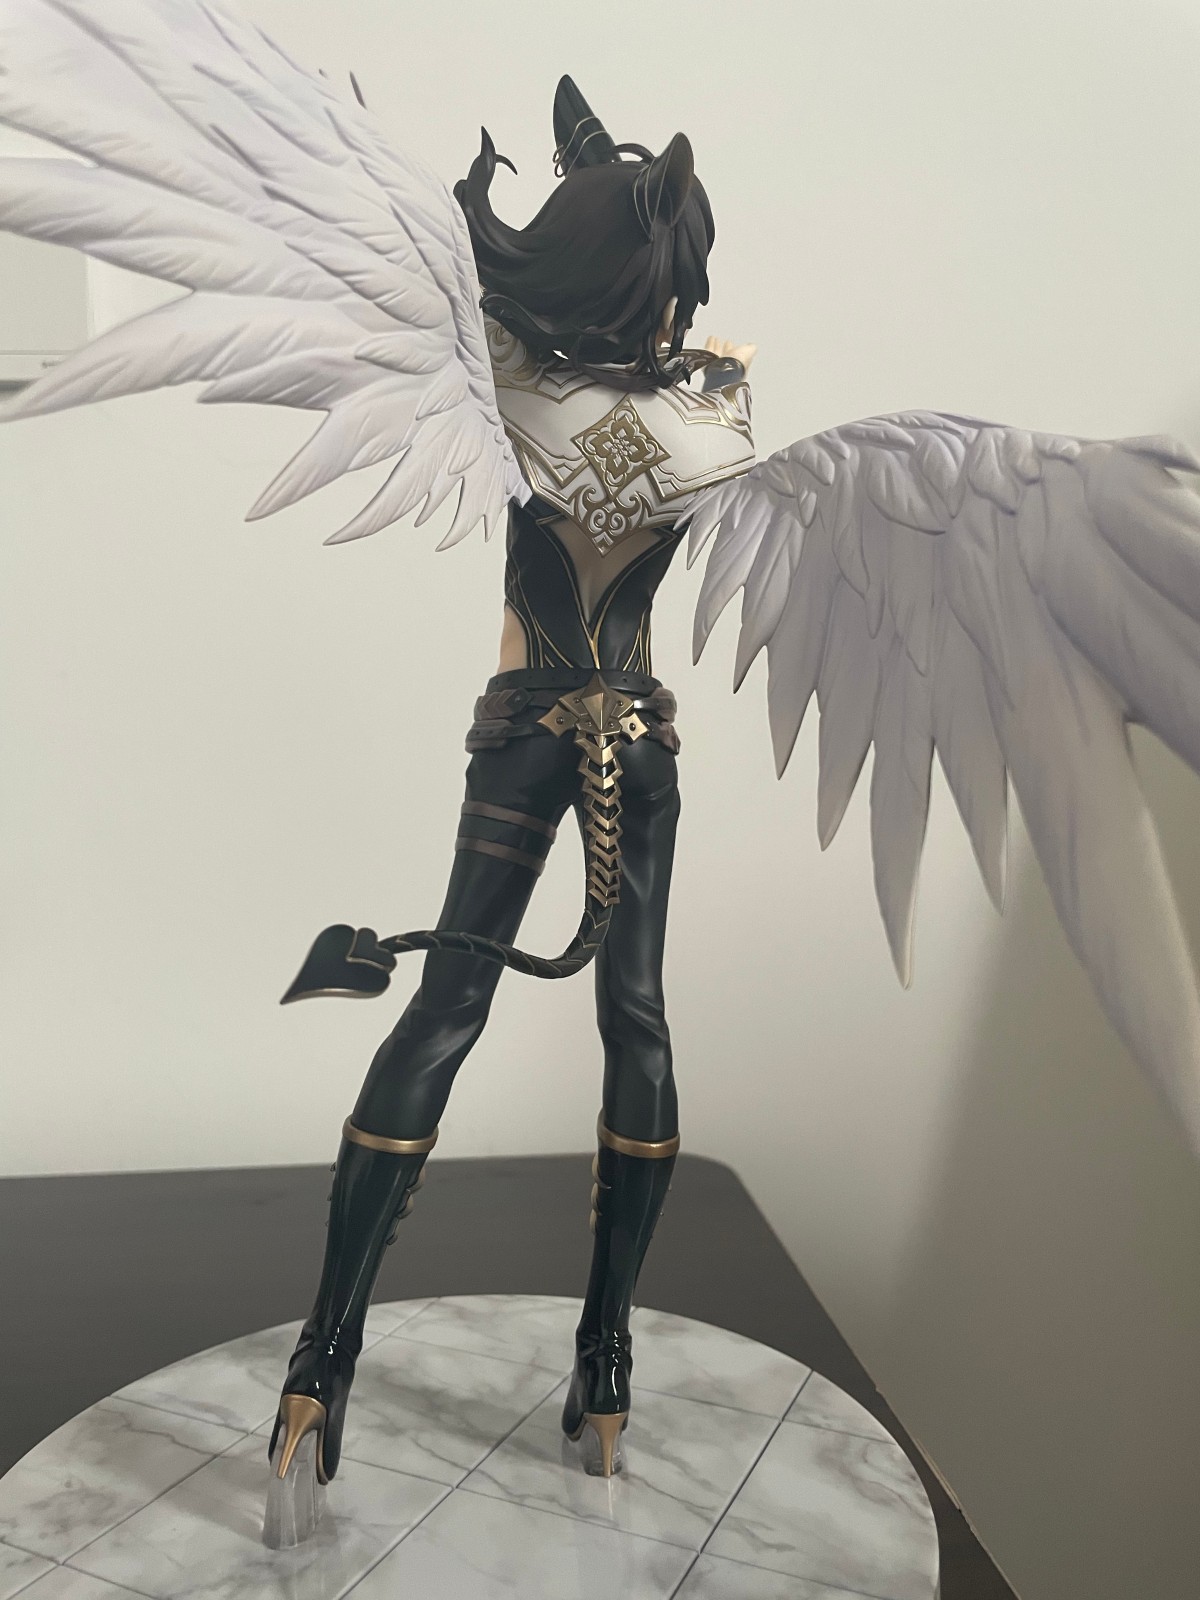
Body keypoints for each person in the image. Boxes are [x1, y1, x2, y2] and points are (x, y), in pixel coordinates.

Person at [266, 77, 757, 1527]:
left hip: (525, 730)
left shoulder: (505, 376)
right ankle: (606, 1374)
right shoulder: (720, 402)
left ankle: (321, 1361)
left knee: (447, 1003)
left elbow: (501, 330)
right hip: (642, 736)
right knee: (638, 1014)